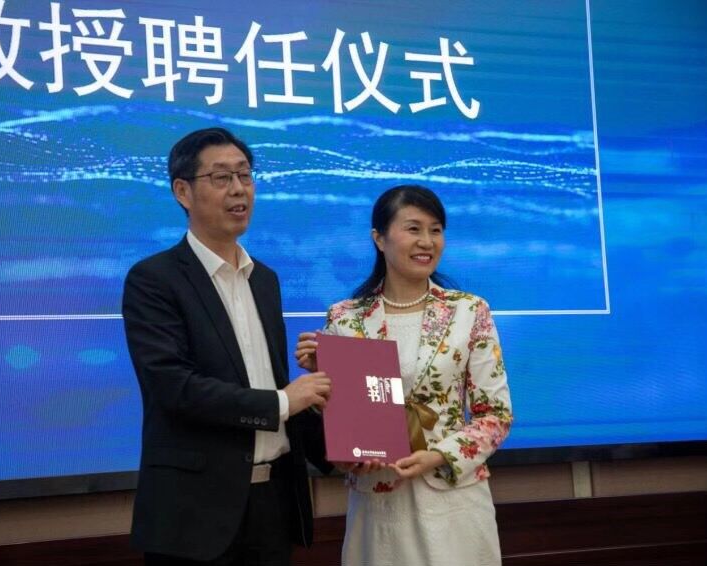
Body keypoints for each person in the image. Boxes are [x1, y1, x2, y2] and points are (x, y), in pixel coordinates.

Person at [122, 127, 333, 566]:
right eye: (221, 178)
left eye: (245, 175)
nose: (239, 189)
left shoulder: (265, 280)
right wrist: (283, 401)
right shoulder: (154, 280)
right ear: (183, 192)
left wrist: (338, 442)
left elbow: (268, 382)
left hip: (273, 507)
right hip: (195, 515)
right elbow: (173, 386)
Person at [294, 185, 513, 566]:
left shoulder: (470, 311)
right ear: (379, 239)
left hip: (452, 497)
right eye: (413, 229)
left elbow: (496, 415)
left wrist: (438, 455)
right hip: (378, 501)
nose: (427, 241)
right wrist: (321, 382)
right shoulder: (346, 318)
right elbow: (338, 420)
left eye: (436, 230)